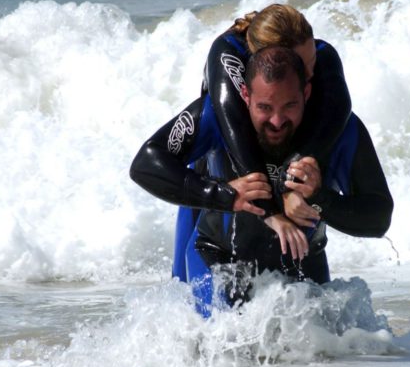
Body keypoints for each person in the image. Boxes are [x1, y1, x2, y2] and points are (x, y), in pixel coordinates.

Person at [130, 46, 393, 316]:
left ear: (306, 94)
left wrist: (320, 199)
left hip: (305, 267)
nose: (277, 121)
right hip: (217, 263)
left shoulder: (341, 130)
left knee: (327, 355)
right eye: (264, 108)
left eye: (289, 106)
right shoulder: (215, 117)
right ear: (245, 96)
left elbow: (379, 217)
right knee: (219, 352)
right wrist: (223, 194)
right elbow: (145, 165)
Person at [202, 4, 352, 218]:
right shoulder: (228, 51)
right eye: (301, 67)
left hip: (285, 144)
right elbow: (233, 121)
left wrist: (293, 172)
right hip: (223, 158)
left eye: (313, 63)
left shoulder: (320, 52)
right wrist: (269, 210)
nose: (311, 73)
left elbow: (339, 108)